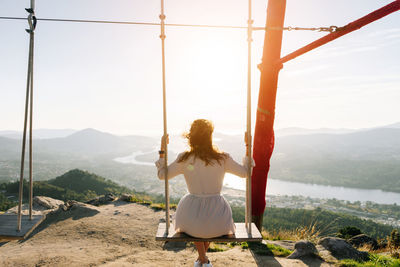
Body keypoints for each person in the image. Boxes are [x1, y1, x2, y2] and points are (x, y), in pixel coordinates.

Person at [155, 119, 253, 267]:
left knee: (197, 222)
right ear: (210, 136)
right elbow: (246, 173)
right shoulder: (222, 158)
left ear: (191, 137)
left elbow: (162, 175)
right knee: (208, 223)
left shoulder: (185, 158)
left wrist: (162, 150)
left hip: (191, 214)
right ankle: (203, 260)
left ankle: (202, 260)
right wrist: (248, 146)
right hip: (218, 217)